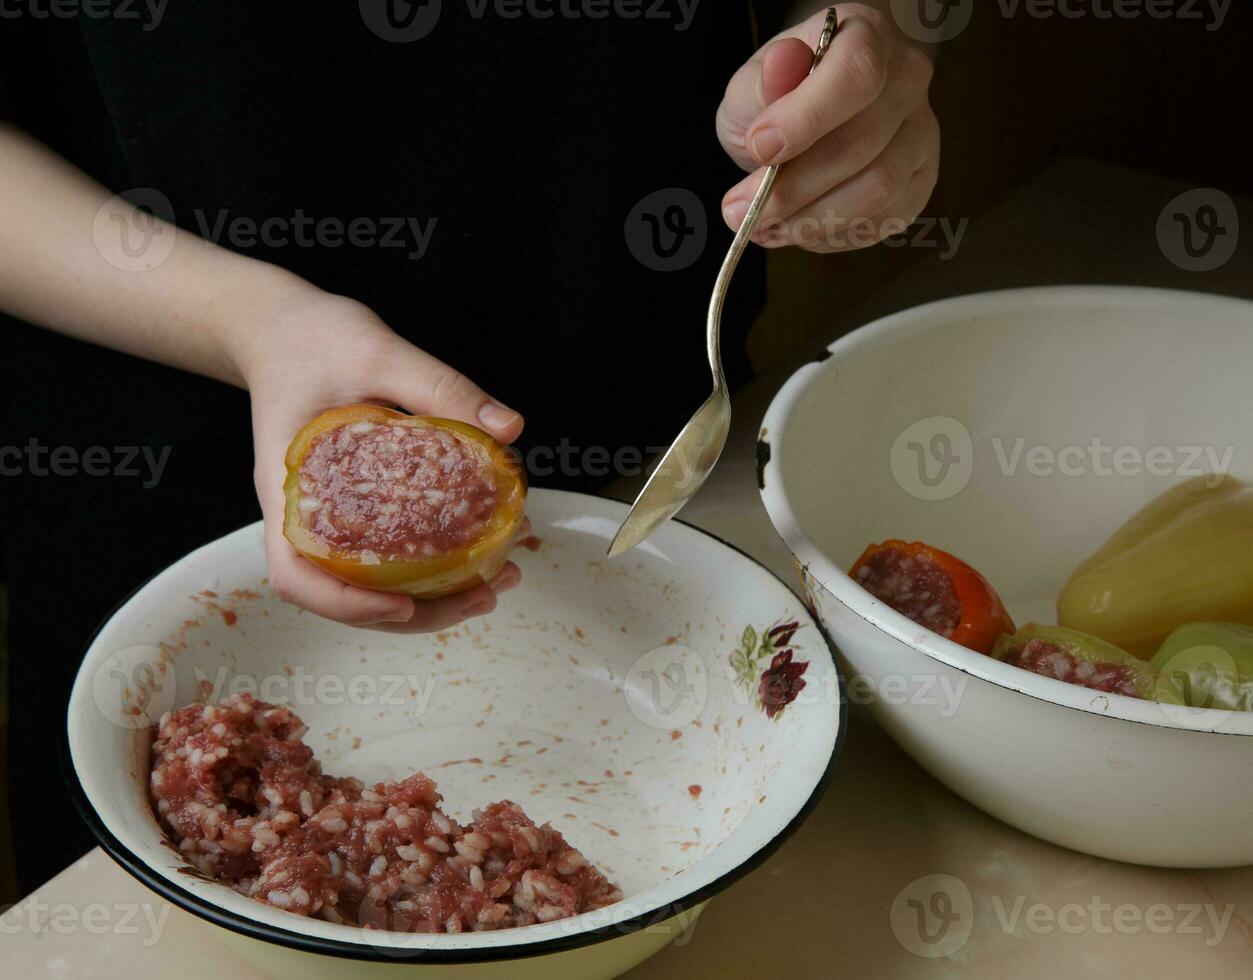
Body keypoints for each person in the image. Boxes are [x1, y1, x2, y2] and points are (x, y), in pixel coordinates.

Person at [0, 2, 938, 889]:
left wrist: (852, 63)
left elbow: (840, 24)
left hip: (648, 398)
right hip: (147, 451)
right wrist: (249, 322)